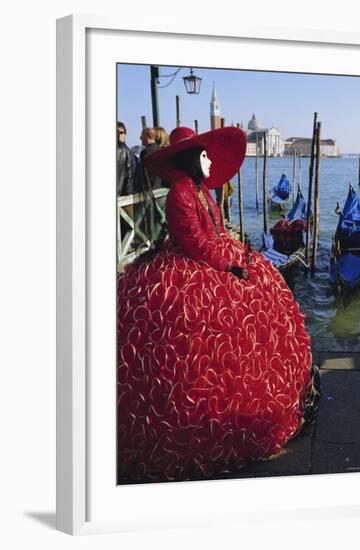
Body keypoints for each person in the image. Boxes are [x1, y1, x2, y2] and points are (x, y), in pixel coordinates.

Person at [117, 126, 315, 483]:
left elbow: (213, 232)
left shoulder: (201, 189)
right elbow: (194, 242)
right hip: (193, 265)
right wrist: (228, 266)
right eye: (204, 156)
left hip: (215, 256)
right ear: (192, 159)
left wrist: (233, 256)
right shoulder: (180, 192)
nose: (210, 161)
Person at [116, 122, 133, 196]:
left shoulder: (128, 152)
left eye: (121, 132)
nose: (119, 135)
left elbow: (129, 177)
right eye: (117, 132)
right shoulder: (126, 151)